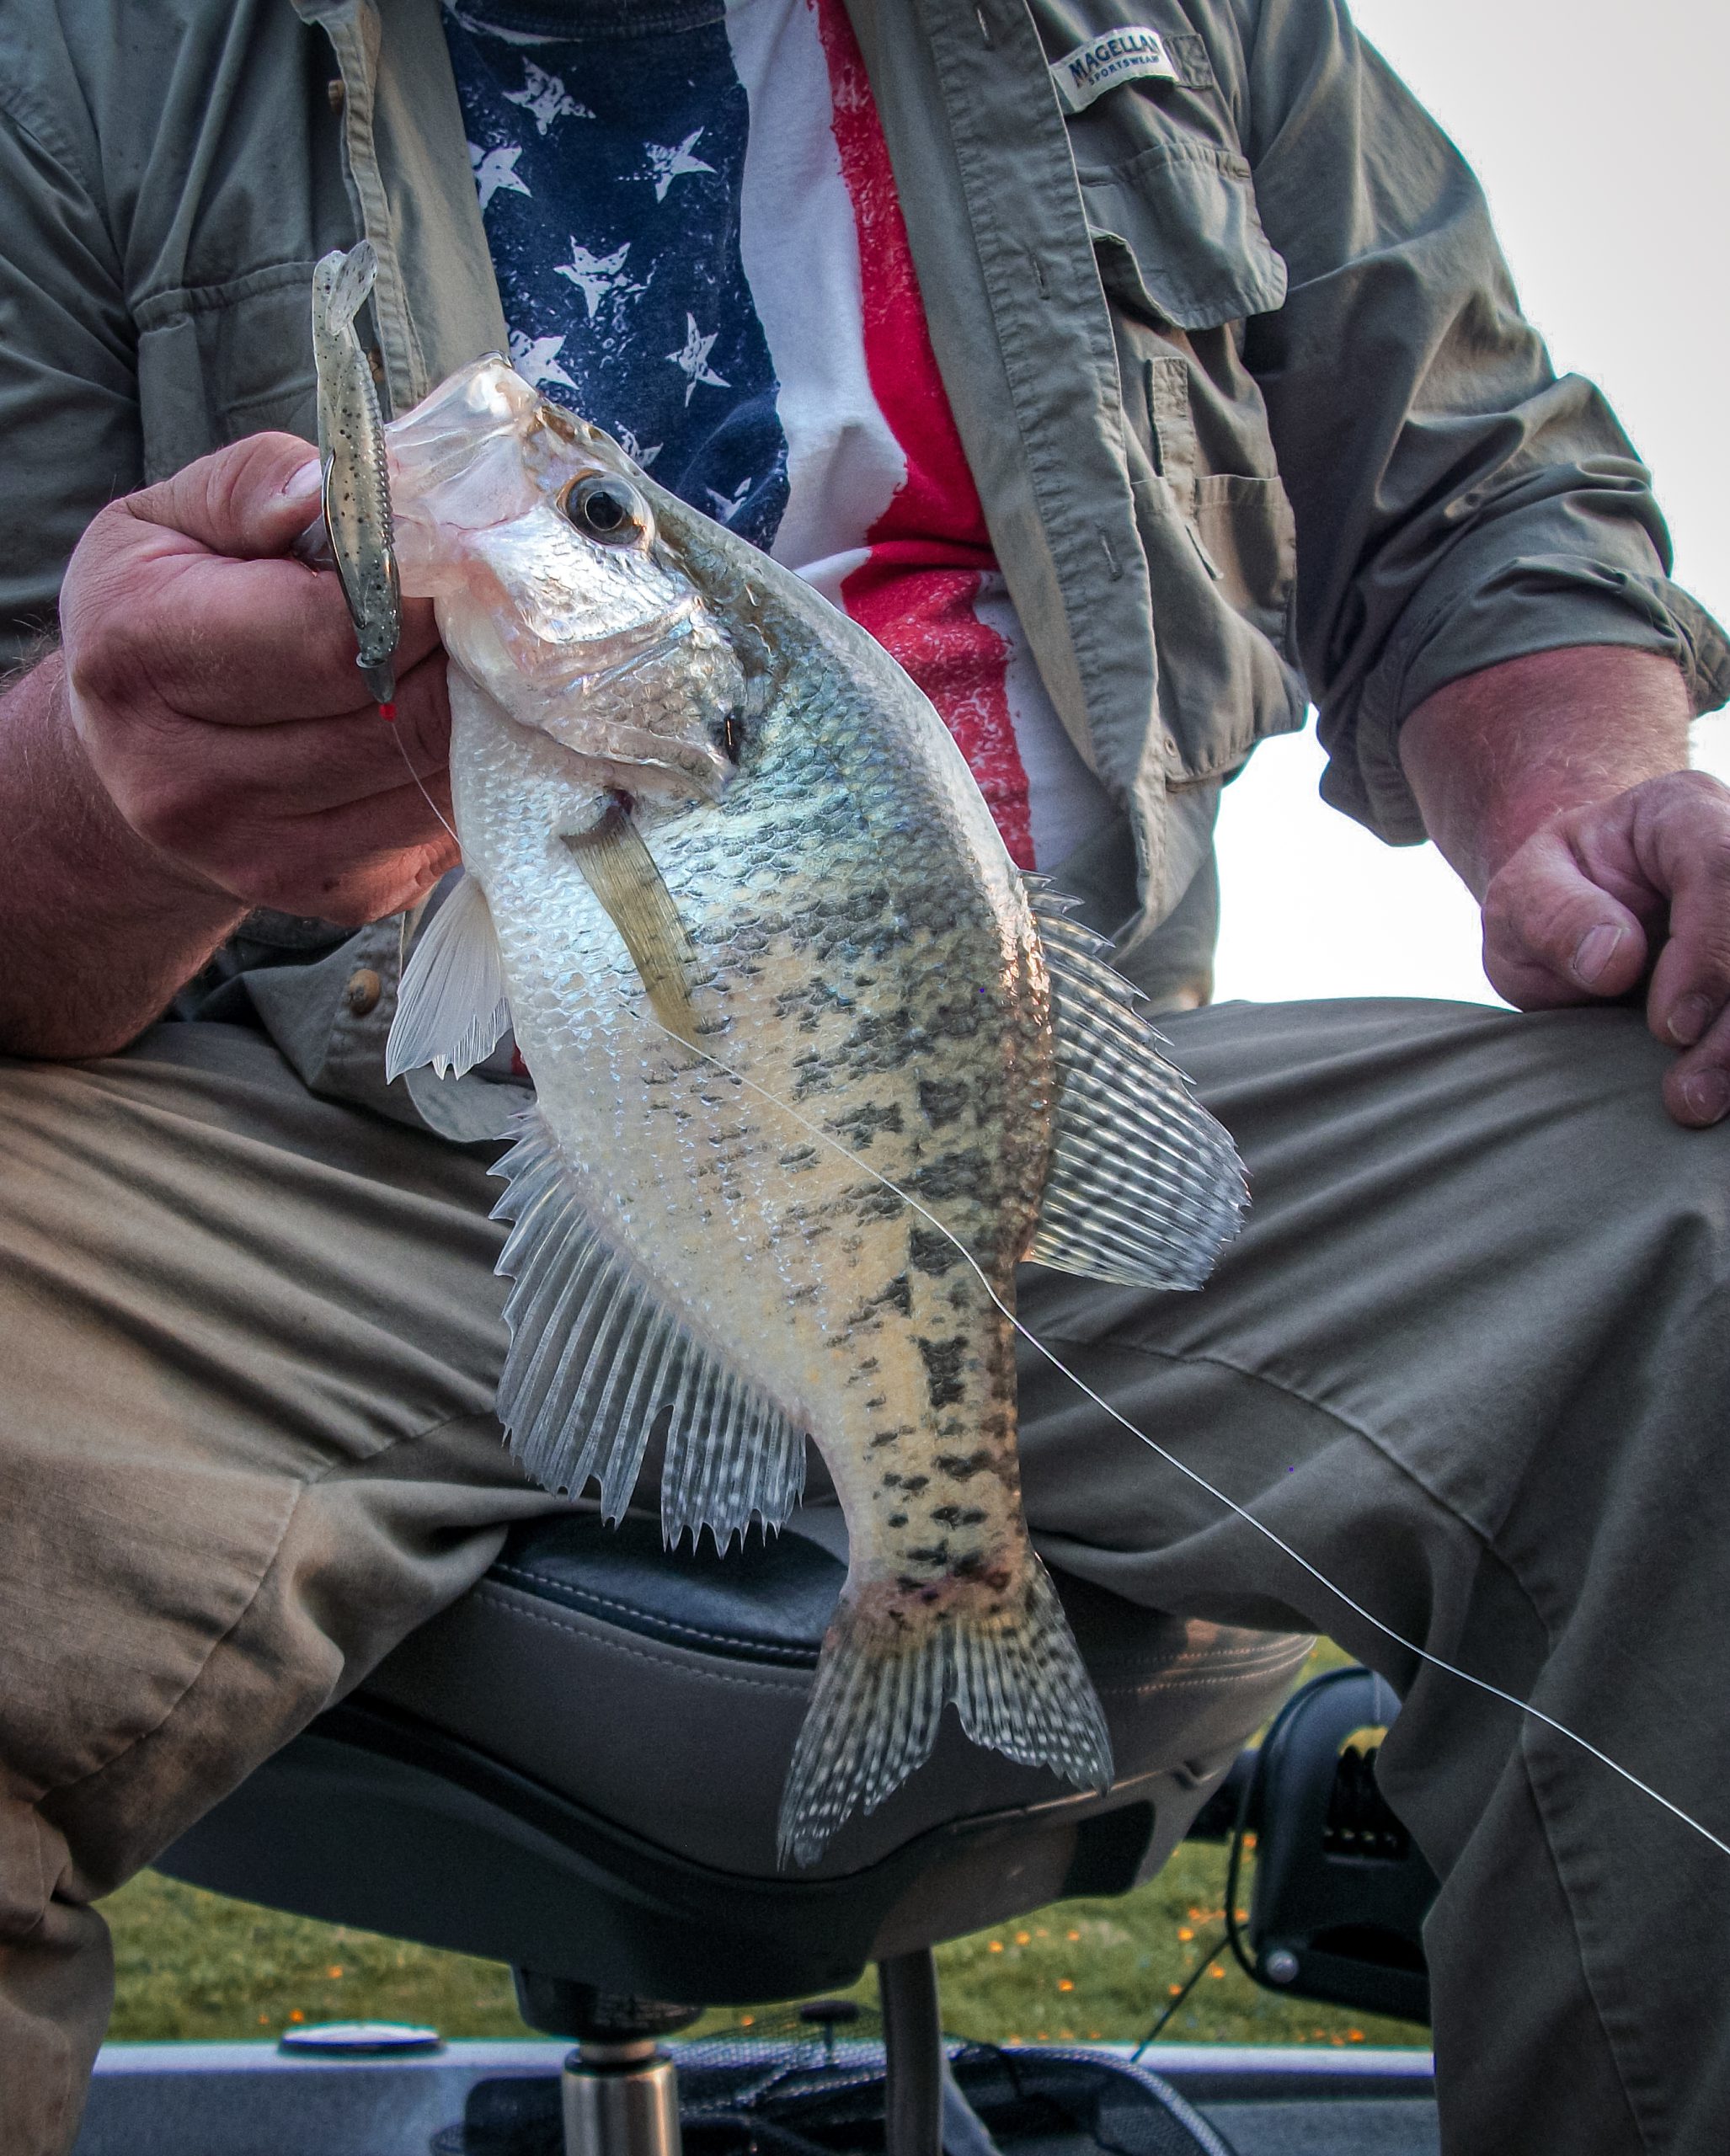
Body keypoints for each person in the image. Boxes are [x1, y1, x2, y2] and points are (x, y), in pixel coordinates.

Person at [2, 1, 1728, 2149]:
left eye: (590, 514)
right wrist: (100, 782)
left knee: (1704, 1210)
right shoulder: (75, 69)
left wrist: (1577, 812)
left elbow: (1479, 495)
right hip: (280, 1156)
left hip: (1001, 1129)